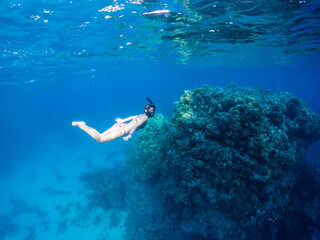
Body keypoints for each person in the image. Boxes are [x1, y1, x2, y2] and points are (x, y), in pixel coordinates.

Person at [72, 98, 156, 143]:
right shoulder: (145, 118)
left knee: (100, 135)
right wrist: (130, 135)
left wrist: (122, 121)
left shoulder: (141, 115)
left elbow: (131, 118)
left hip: (120, 125)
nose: (152, 111)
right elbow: (136, 125)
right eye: (152, 110)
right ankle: (83, 126)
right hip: (123, 130)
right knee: (100, 140)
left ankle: (84, 125)